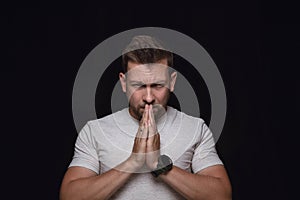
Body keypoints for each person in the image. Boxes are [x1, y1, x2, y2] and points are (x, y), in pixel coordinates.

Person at [60, 35, 232, 200]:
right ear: (123, 82)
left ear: (172, 82)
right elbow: (69, 196)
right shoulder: (95, 131)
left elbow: (222, 195)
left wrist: (159, 164)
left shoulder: (195, 128)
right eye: (138, 85)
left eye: (157, 85)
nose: (149, 97)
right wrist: (133, 162)